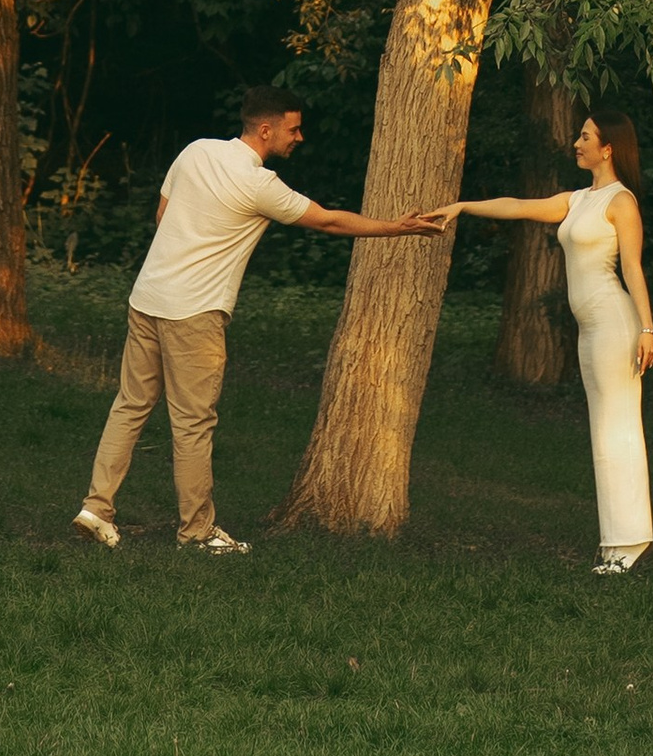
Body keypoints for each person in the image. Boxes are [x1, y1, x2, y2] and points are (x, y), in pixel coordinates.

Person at [74, 90, 448, 555]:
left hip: (147, 297)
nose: (300, 137)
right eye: (294, 129)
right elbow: (328, 222)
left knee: (129, 406)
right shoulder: (260, 184)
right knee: (192, 424)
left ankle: (96, 508)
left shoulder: (196, 150)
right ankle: (196, 534)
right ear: (266, 130)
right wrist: (398, 227)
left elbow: (163, 215)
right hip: (196, 311)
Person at [447, 112, 653, 571]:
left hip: (614, 323)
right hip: (591, 327)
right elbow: (518, 206)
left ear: (608, 148)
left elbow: (633, 269)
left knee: (617, 430)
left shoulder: (621, 202)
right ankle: (616, 543)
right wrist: (462, 207)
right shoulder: (580, 199)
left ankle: (628, 545)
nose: (576, 142)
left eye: (585, 136)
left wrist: (646, 329)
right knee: (603, 432)